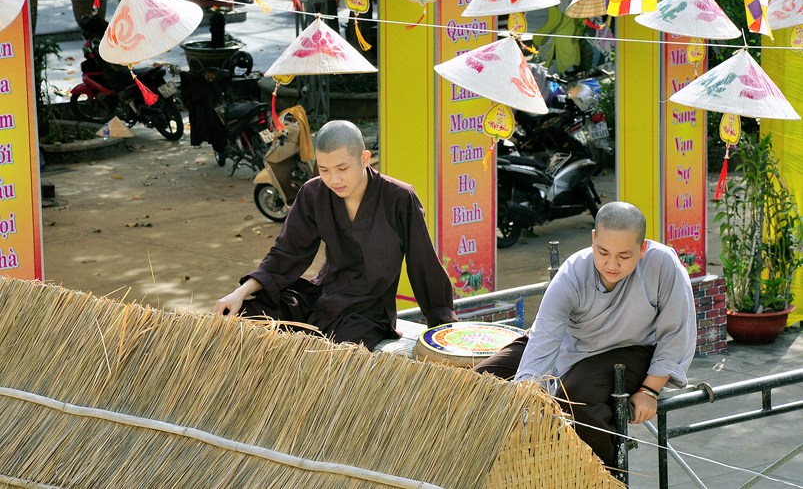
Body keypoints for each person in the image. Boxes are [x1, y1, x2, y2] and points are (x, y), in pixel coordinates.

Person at [474, 201, 696, 467]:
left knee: (576, 398)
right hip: (567, 343)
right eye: (603, 252)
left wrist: (650, 390)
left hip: (631, 349)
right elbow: (544, 338)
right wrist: (527, 395)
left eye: (624, 256)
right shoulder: (572, 273)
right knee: (480, 380)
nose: (612, 264)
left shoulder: (663, 264)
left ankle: (603, 478)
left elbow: (676, 332)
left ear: (643, 248)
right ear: (593, 239)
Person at [213, 120, 457, 349]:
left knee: (333, 352)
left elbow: (423, 264)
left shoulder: (399, 197)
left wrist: (442, 327)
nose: (334, 179)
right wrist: (239, 293)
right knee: (246, 315)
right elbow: (286, 253)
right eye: (324, 170)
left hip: (368, 311)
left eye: (342, 168)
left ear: (364, 159)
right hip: (322, 296)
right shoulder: (313, 193)